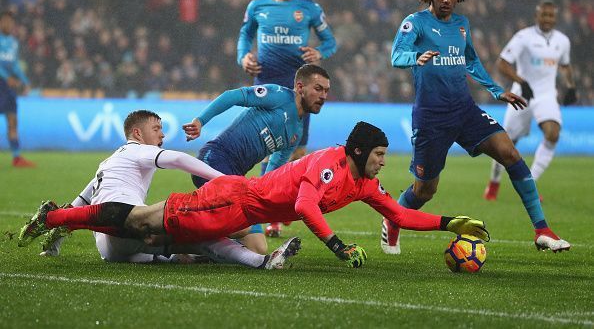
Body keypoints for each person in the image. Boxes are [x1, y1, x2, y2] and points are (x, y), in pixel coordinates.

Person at [20, 121, 490, 269]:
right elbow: (305, 206)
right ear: (360, 151)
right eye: (381, 154)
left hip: (241, 210)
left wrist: (451, 223)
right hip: (230, 199)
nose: (385, 162)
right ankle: (57, 218)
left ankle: (59, 219)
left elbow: (401, 216)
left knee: (156, 239)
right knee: (142, 223)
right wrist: (338, 245)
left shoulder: (365, 182)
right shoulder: (328, 164)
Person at [384, 0, 570, 255]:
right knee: (425, 190)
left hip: (465, 110)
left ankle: (541, 230)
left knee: (509, 152)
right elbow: (396, 55)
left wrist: (497, 90)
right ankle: (394, 217)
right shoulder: (415, 23)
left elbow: (471, 61)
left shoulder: (461, 24)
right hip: (432, 117)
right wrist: (415, 56)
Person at [35, 109, 300, 269]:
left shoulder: (109, 163)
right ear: (138, 133)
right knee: (203, 232)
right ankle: (262, 262)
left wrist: (54, 245)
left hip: (110, 249)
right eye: (156, 129)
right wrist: (223, 178)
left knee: (192, 242)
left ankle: (172, 258)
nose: (162, 135)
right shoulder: (137, 151)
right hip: (127, 226)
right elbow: (177, 159)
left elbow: (78, 204)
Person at [237, 0, 337, 235]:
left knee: (297, 152)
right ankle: (266, 214)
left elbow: (330, 42)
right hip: (266, 89)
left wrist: (320, 53)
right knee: (267, 151)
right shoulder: (258, 6)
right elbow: (244, 35)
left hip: (299, 94)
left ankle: (278, 206)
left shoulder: (310, 9)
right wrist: (243, 57)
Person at [183, 64, 330, 252]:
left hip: (234, 179)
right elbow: (233, 96)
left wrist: (272, 203)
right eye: (318, 89)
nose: (323, 96)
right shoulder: (278, 95)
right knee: (237, 226)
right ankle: (176, 223)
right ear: (300, 87)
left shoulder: (296, 132)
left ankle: (190, 247)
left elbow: (271, 174)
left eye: (326, 91)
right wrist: (200, 121)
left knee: (257, 247)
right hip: (214, 161)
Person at [484, 0, 577, 201]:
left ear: (555, 18)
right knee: (505, 145)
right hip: (521, 95)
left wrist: (570, 86)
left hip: (546, 95)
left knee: (553, 134)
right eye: (544, 15)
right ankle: (494, 182)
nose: (547, 19)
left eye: (551, 15)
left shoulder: (562, 41)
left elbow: (566, 64)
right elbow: (502, 63)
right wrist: (521, 81)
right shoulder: (523, 37)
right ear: (537, 16)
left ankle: (530, 184)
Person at [0, 10, 35, 167]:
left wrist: (25, 80)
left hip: (9, 87)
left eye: (11, 22)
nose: (8, 24)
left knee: (12, 120)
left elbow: (14, 65)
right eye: (5, 21)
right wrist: (6, 77)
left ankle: (16, 157)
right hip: (3, 83)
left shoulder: (13, 42)